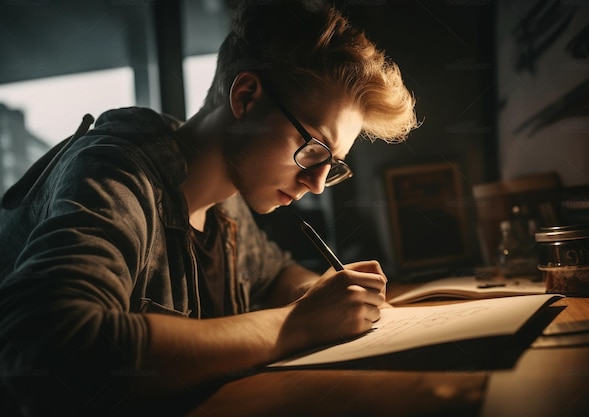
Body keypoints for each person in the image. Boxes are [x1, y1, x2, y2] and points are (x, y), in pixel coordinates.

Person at [0, 0, 418, 415]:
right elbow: (52, 348)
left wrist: (323, 296)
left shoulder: (229, 203)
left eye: (333, 165)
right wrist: (296, 324)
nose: (317, 184)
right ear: (246, 97)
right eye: (312, 150)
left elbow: (274, 274)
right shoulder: (116, 175)